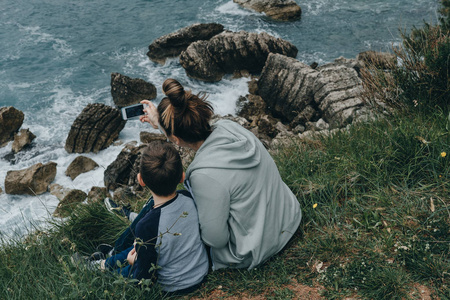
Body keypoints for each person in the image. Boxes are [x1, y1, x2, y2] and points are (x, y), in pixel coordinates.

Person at [139, 79, 302, 270]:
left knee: (170, 202)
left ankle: (121, 246)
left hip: (254, 249)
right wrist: (160, 123)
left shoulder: (204, 176)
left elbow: (215, 240)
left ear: (175, 139)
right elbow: (184, 132)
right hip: (288, 218)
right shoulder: (229, 127)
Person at [74, 140, 209, 294]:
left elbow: (143, 277)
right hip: (200, 272)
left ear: (141, 180)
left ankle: (98, 267)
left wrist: (133, 264)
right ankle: (107, 260)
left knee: (128, 268)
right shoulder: (188, 197)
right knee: (140, 245)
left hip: (173, 286)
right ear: (181, 177)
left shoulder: (147, 226)